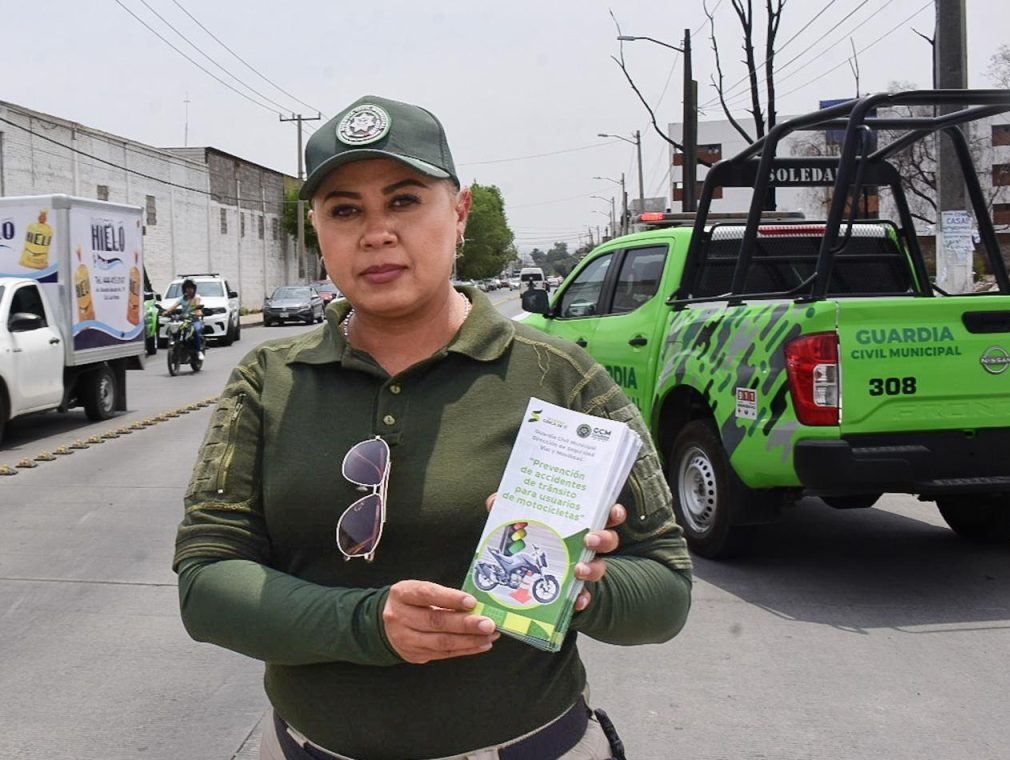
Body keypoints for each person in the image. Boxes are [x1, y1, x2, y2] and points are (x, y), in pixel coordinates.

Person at [173, 94, 692, 760]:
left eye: (405, 200)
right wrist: (366, 625)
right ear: (318, 230)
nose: (376, 233)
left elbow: (667, 591)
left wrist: (582, 585)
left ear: (460, 210)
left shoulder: (566, 381)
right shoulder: (266, 382)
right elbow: (206, 584)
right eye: (345, 210)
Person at [164, 277, 205, 360]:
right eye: (187, 288)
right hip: (183, 320)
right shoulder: (182, 298)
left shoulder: (196, 298)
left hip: (194, 320)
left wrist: (197, 312)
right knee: (173, 329)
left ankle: (198, 351)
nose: (189, 290)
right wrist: (167, 312)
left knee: (194, 331)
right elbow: (174, 306)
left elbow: (198, 308)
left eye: (191, 288)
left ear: (194, 289)